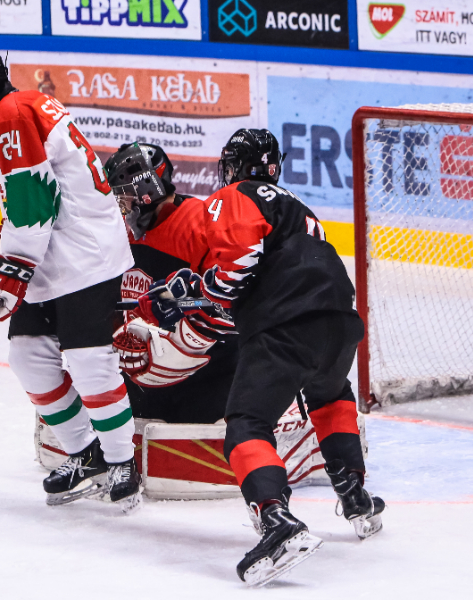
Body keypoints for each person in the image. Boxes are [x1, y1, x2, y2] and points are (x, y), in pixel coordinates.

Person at [138, 129, 384, 585]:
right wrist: (199, 292)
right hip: (338, 320)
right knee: (331, 395)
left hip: (288, 324)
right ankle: (355, 494)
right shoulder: (301, 209)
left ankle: (276, 521)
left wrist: (199, 290)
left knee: (247, 425)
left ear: (232, 166)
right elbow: (264, 270)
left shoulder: (235, 195)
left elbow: (238, 265)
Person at [0, 43, 141, 511]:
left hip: (85, 257)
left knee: (91, 360)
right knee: (29, 353)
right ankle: (84, 454)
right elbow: (29, 200)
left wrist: (11, 269)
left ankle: (122, 462)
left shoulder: (8, 116)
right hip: (57, 256)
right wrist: (16, 260)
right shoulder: (25, 104)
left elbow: (36, 201)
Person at [104, 142, 237, 424]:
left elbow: (226, 305)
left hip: (202, 371)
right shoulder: (120, 233)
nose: (121, 206)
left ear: (146, 192)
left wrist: (176, 305)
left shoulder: (201, 226)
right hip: (144, 369)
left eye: (125, 196)